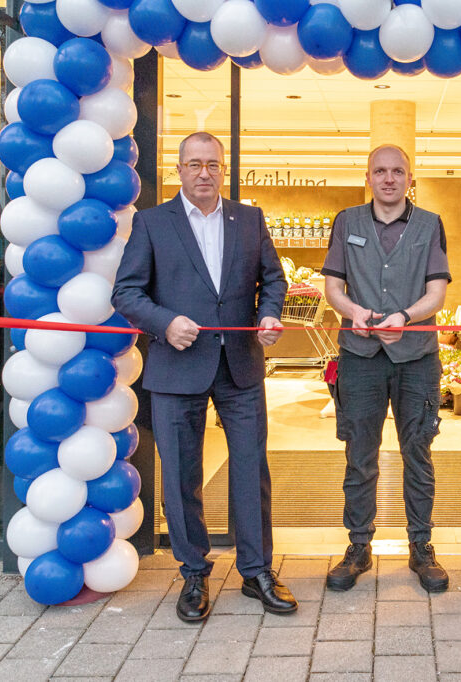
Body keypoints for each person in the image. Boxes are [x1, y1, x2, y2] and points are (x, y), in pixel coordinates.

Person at [112, 131, 295, 622]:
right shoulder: (152, 223)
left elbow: (272, 279)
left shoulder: (249, 219)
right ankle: (194, 571)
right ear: (179, 169)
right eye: (194, 164)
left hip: (240, 364)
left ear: (223, 169)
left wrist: (270, 314)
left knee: (251, 469)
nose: (204, 173)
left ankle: (256, 571)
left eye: (212, 164)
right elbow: (126, 293)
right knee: (181, 474)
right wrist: (164, 323)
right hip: (176, 367)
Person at [320, 144, 451, 593]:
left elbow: (437, 293)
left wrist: (408, 317)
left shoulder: (430, 224)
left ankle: (421, 547)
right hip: (359, 358)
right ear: (368, 177)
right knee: (360, 456)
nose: (389, 178)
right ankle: (358, 547)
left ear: (409, 178)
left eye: (398, 171)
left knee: (418, 453)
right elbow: (333, 286)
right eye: (380, 171)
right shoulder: (347, 221)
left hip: (416, 357)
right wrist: (352, 310)